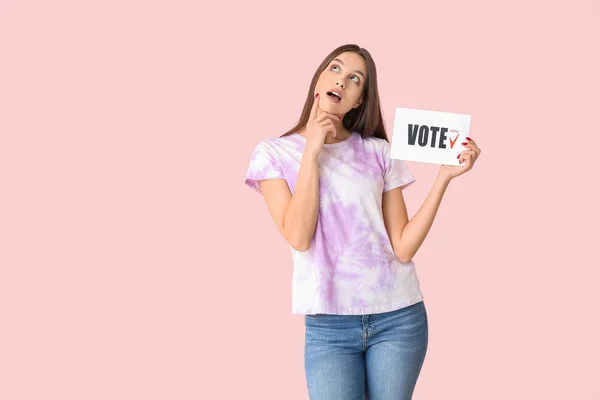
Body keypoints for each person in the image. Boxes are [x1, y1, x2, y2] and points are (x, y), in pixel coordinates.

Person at [244, 44, 481, 400]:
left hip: (398, 317)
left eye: (355, 79)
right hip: (329, 327)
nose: (342, 80)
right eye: (335, 69)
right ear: (319, 81)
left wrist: (443, 178)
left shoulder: (378, 152)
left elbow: (402, 247)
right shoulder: (273, 153)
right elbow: (298, 235)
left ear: (358, 100)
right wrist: (312, 150)